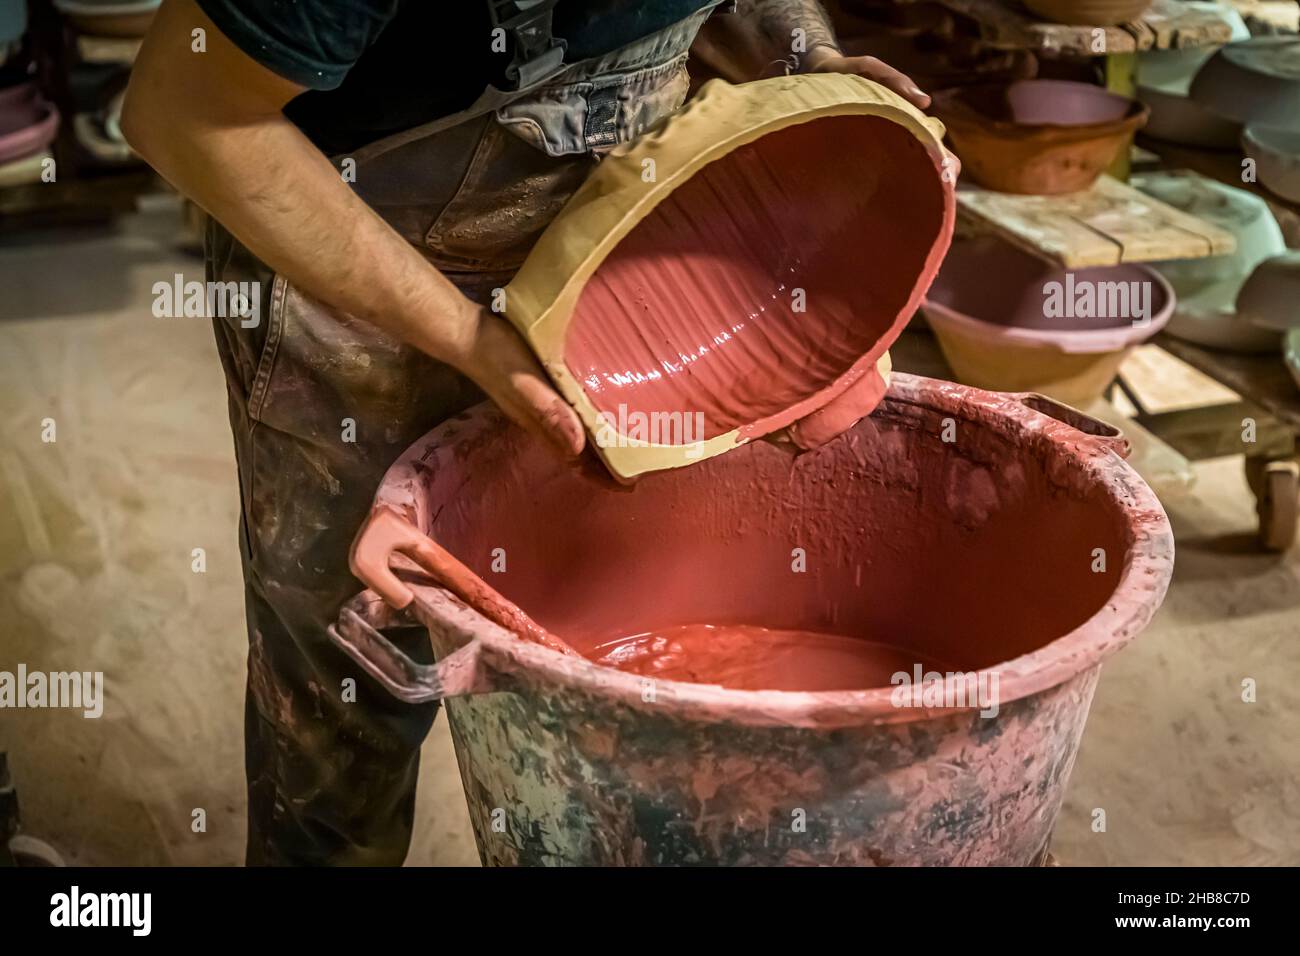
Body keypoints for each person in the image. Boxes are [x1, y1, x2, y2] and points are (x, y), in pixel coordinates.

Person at [121, 0, 930, 866]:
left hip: (641, 254)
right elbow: (184, 111)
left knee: (590, 653)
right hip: (367, 281)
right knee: (346, 715)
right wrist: (468, 337)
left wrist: (799, 57)